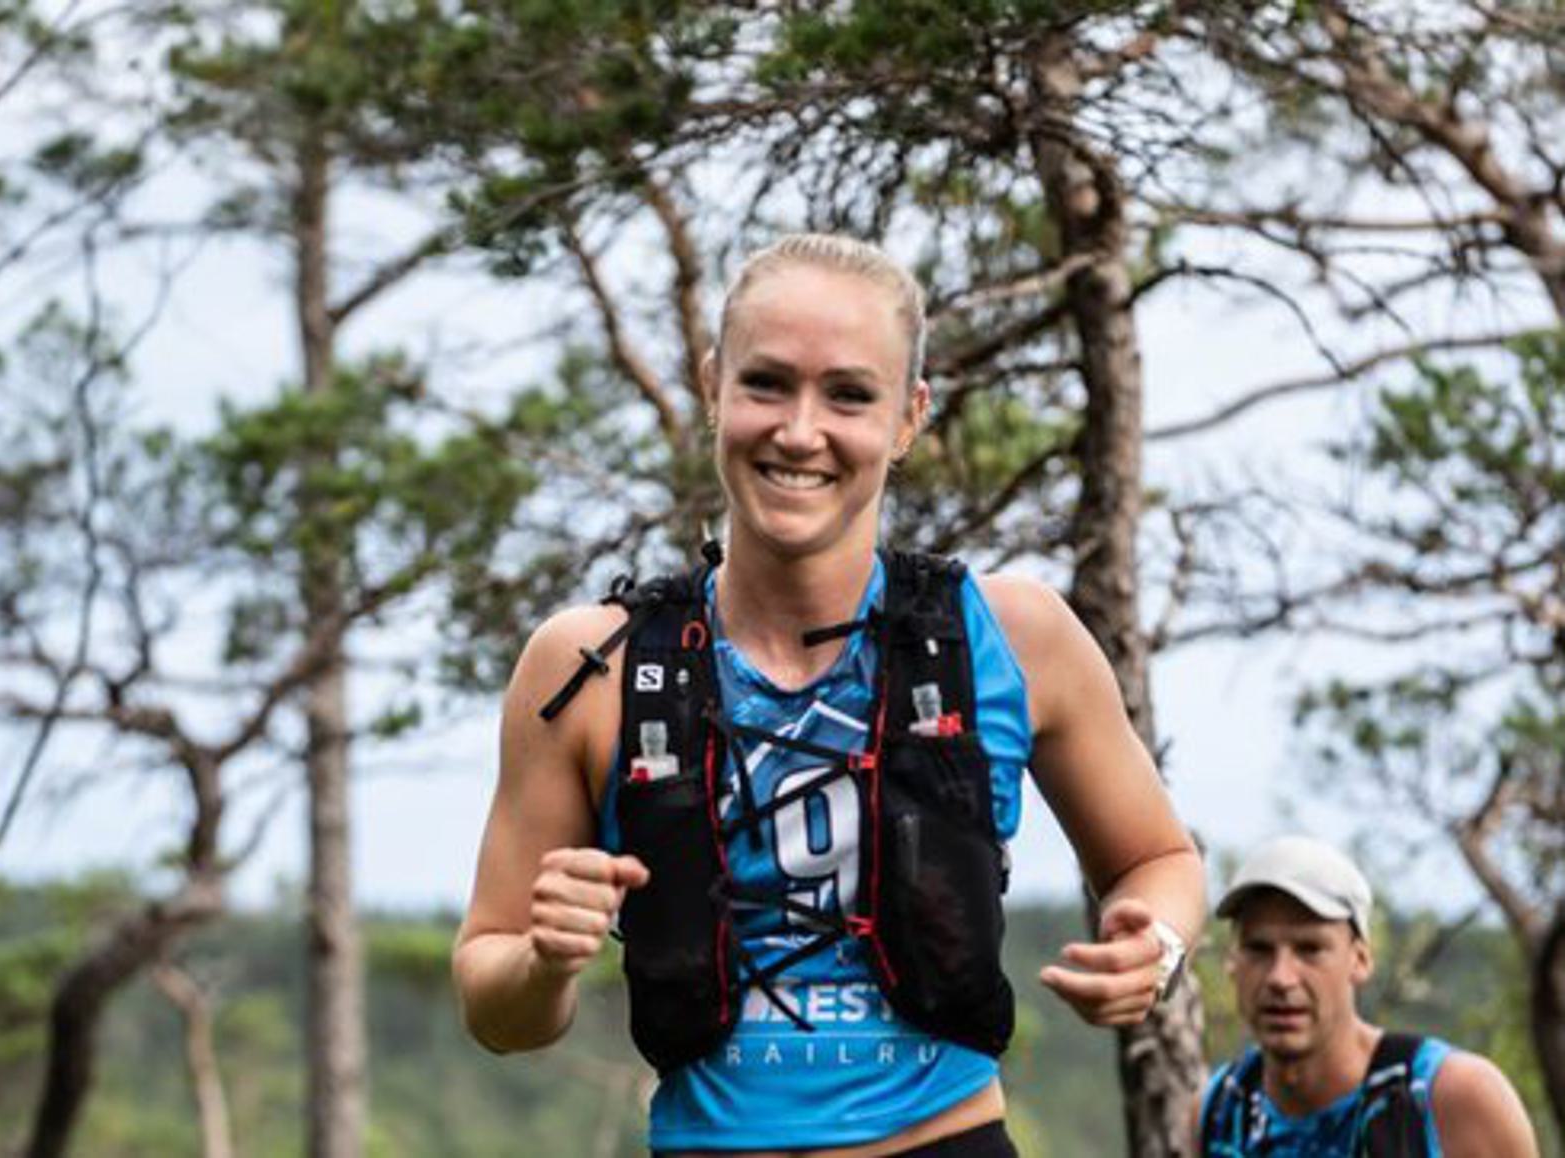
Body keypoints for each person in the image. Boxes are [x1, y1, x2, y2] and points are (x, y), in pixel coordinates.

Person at [454, 232, 1206, 1157]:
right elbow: (495, 1004)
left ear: (909, 416)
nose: (800, 431)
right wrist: (543, 962)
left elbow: (1159, 858)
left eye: (848, 394)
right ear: (712, 385)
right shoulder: (590, 667)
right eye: (767, 384)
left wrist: (1155, 946)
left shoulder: (1010, 636)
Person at [1197, 834, 1538, 1157]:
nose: (1280, 978)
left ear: (1360, 960)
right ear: (1231, 962)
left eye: (1310, 949)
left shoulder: (1447, 1097)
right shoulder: (1220, 1110)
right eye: (1258, 949)